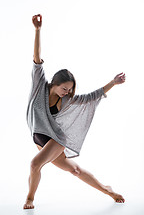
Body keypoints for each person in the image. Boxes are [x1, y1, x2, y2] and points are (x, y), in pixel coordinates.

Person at [23, 14, 126, 209]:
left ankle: (29, 199)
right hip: (39, 139)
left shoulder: (68, 100)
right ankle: (108, 190)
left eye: (70, 90)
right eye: (64, 89)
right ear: (54, 84)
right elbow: (37, 59)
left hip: (56, 139)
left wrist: (113, 82)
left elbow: (91, 97)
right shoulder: (39, 85)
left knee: (35, 164)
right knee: (76, 171)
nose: (67, 93)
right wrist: (37, 30)